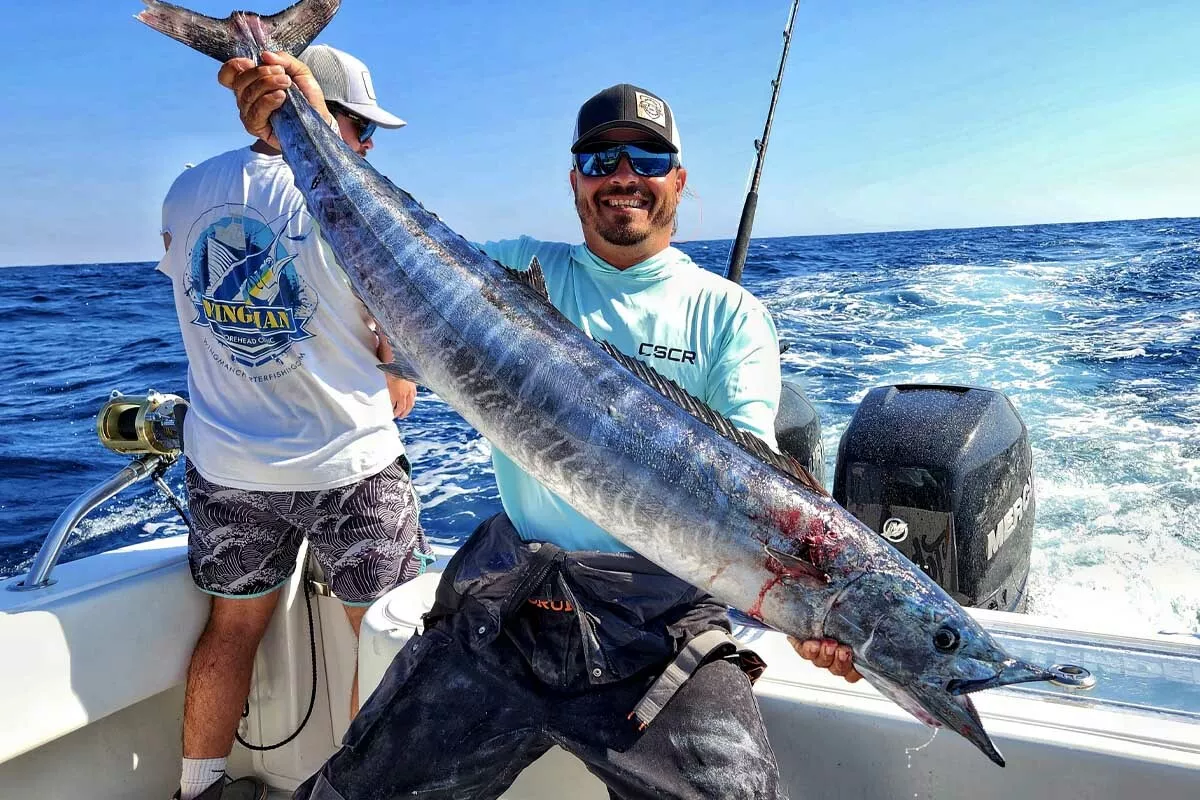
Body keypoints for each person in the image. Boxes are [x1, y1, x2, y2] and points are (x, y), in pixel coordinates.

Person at [222, 53, 861, 800]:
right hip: (508, 610)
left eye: (648, 157)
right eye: (599, 158)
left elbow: (745, 497)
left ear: (679, 180)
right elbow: (355, 250)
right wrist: (288, 132)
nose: (623, 173)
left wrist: (805, 612)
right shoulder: (514, 270)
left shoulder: (729, 316)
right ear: (576, 180)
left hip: (658, 631)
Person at [158, 45, 432, 800]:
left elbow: (185, 282)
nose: (368, 148)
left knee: (232, 628)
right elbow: (398, 371)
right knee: (377, 643)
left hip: (227, 467)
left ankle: (198, 788)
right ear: (320, 114)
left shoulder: (186, 190)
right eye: (362, 129)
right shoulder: (353, 209)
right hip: (351, 468)